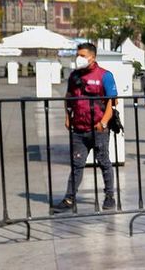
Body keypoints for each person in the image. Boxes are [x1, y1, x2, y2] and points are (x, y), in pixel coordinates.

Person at [54, 42, 118, 213]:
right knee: (77, 164)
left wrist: (103, 123)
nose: (78, 58)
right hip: (79, 129)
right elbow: (68, 97)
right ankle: (69, 199)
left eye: (82, 55)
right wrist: (68, 117)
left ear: (92, 57)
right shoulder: (74, 76)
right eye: (78, 54)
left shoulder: (105, 76)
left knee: (104, 162)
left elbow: (112, 102)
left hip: (98, 129)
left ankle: (110, 196)